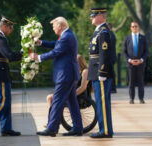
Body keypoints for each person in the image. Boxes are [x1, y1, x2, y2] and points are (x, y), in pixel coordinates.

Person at [30, 16, 83, 136]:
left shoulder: (67, 36)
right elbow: (56, 45)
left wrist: (38, 57)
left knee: (57, 101)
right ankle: (78, 128)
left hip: (66, 75)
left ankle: (52, 128)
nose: (53, 28)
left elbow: (56, 52)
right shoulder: (66, 35)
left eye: (54, 26)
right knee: (72, 102)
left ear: (60, 26)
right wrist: (41, 43)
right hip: (70, 74)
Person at [88, 8, 114, 138]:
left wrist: (102, 72)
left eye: (93, 15)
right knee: (100, 102)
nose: (91, 17)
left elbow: (104, 54)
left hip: (100, 72)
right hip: (96, 72)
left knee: (102, 103)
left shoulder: (103, 32)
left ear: (101, 16)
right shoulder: (98, 31)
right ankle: (105, 129)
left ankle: (105, 131)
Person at [123, 21, 149, 104]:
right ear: (130, 28)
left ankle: (141, 99)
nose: (134, 28)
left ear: (138, 27)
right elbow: (124, 52)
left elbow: (146, 51)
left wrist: (141, 60)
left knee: (141, 81)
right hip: (130, 64)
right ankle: (131, 99)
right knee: (131, 82)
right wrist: (130, 60)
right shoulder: (127, 38)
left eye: (136, 26)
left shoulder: (143, 38)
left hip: (140, 63)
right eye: (133, 26)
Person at [106, 22, 117, 93]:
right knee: (111, 73)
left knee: (110, 73)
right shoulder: (111, 34)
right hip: (111, 57)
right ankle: (112, 88)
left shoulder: (110, 35)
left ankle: (112, 88)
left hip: (110, 57)